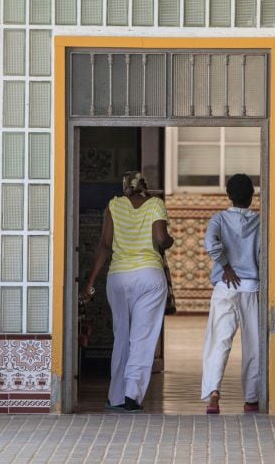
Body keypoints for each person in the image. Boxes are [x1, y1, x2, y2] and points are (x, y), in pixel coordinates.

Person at [80, 171, 174, 412]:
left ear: (125, 187)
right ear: (145, 185)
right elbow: (161, 238)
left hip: (118, 277)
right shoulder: (156, 204)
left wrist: (90, 282)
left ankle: (116, 396)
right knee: (142, 338)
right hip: (149, 277)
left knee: (121, 336)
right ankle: (132, 394)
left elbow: (105, 244)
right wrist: (169, 241)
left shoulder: (114, 205)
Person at [201, 174, 261, 414]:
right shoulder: (259, 222)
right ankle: (251, 399)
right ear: (251, 196)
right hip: (252, 288)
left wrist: (225, 266)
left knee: (219, 342)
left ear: (228, 195)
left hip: (226, 287)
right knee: (253, 345)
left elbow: (210, 243)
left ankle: (214, 394)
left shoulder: (219, 219)